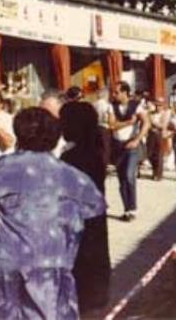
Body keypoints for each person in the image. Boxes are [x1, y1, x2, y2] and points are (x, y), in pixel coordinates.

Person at [0, 108, 106, 319]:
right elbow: (94, 208)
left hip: (6, 260)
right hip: (50, 262)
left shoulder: (7, 166)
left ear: (18, 134)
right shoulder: (71, 175)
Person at [60, 102, 111, 313]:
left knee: (82, 262)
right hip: (95, 217)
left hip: (78, 219)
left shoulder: (72, 157)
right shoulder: (96, 151)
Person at [107, 81, 150, 221]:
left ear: (125, 92)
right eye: (113, 92)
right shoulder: (112, 106)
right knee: (121, 179)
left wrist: (137, 139)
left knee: (129, 175)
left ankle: (133, 208)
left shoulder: (136, 105)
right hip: (117, 145)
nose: (114, 95)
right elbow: (112, 125)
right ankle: (127, 210)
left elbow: (146, 123)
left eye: (116, 92)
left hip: (132, 144)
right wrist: (129, 123)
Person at [147, 97, 172, 180]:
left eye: (160, 105)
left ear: (163, 106)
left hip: (160, 135)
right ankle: (155, 169)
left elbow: (163, 125)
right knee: (150, 154)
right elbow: (147, 123)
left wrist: (154, 123)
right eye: (157, 105)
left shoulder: (165, 114)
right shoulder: (151, 113)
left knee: (159, 155)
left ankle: (158, 174)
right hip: (151, 134)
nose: (158, 107)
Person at [94, 88, 112, 168]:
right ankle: (105, 164)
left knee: (97, 146)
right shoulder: (107, 105)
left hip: (95, 127)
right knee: (105, 147)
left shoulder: (93, 104)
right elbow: (107, 118)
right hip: (104, 127)